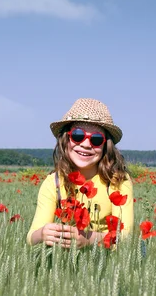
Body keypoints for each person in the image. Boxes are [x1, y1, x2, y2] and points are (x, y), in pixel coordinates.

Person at [26, 98, 134, 248]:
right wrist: (43, 233)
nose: (85, 144)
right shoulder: (54, 183)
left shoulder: (118, 180)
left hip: (109, 264)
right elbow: (31, 237)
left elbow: (125, 237)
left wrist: (89, 240)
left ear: (106, 145)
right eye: (77, 135)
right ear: (66, 139)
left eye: (96, 139)